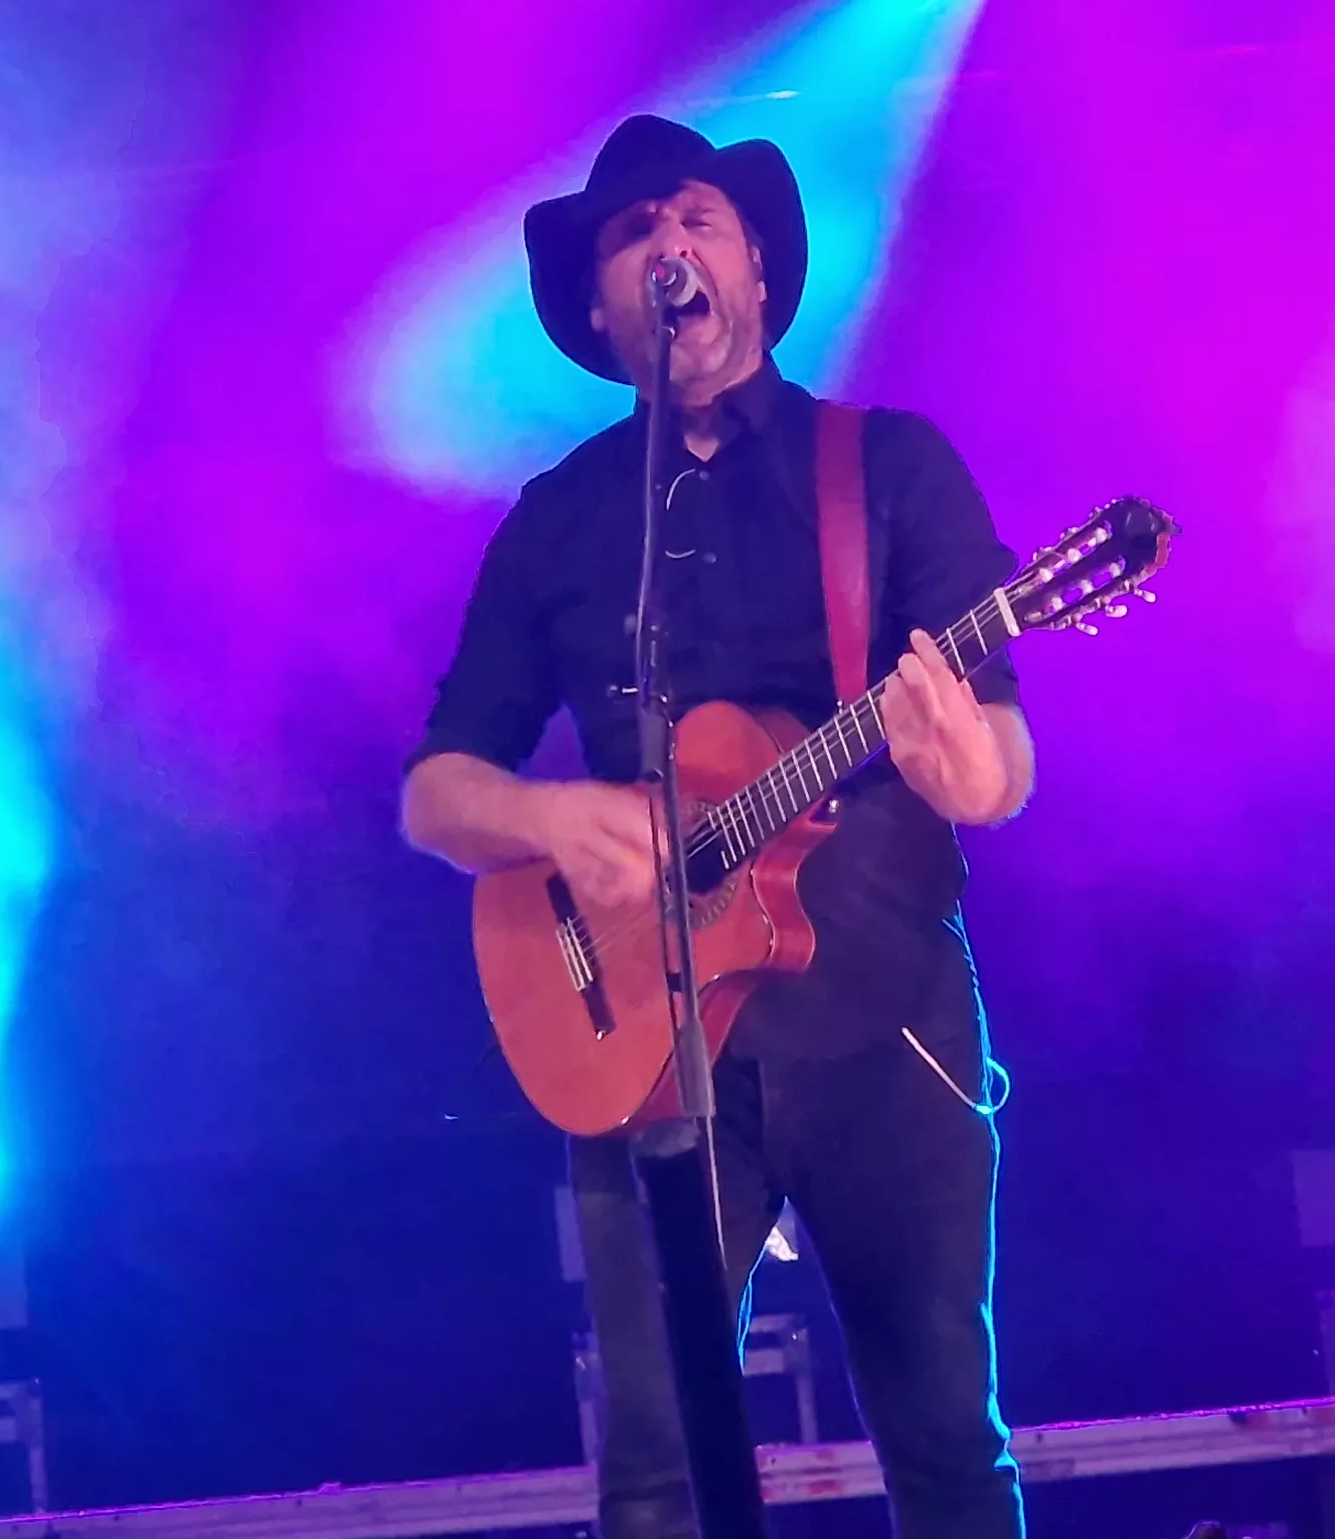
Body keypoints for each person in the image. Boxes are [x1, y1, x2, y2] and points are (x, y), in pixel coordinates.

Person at [401, 116, 1036, 1539]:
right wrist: (555, 819)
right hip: (645, 1051)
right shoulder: (558, 520)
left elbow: (1002, 762)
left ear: (753, 263)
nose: (664, 249)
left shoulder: (885, 469)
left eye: (691, 219)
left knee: (942, 1435)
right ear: (595, 305)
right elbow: (438, 791)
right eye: (629, 236)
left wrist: (954, 765)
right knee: (655, 1471)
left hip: (887, 1017)